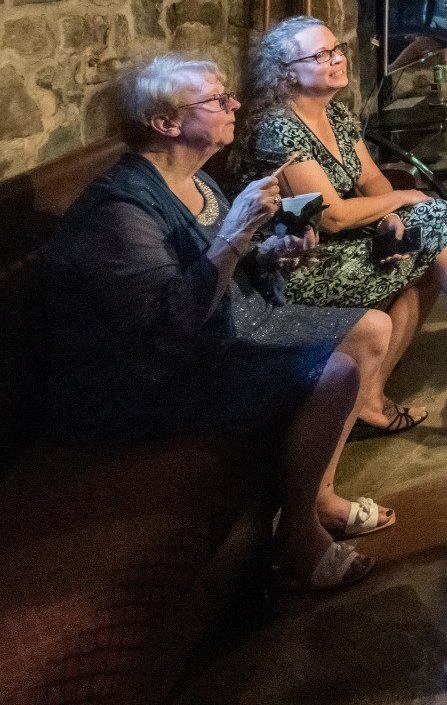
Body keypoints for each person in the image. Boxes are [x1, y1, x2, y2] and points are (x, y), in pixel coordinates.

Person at [38, 55, 395, 590]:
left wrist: (273, 252)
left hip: (221, 328)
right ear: (166, 123)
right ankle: (297, 535)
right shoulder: (123, 210)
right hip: (152, 381)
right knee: (339, 371)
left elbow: (231, 265)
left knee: (371, 329)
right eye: (216, 100)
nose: (235, 106)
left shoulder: (197, 180)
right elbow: (167, 329)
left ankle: (318, 496)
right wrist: (234, 236)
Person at [245, 17, 447, 439]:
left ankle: (372, 394)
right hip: (299, 263)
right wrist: (404, 201)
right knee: (433, 220)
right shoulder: (278, 128)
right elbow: (330, 216)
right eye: (321, 55)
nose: (337, 59)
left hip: (344, 240)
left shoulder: (333, 114)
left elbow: (372, 180)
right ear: (287, 73)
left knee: (426, 241)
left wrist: (390, 216)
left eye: (336, 49)